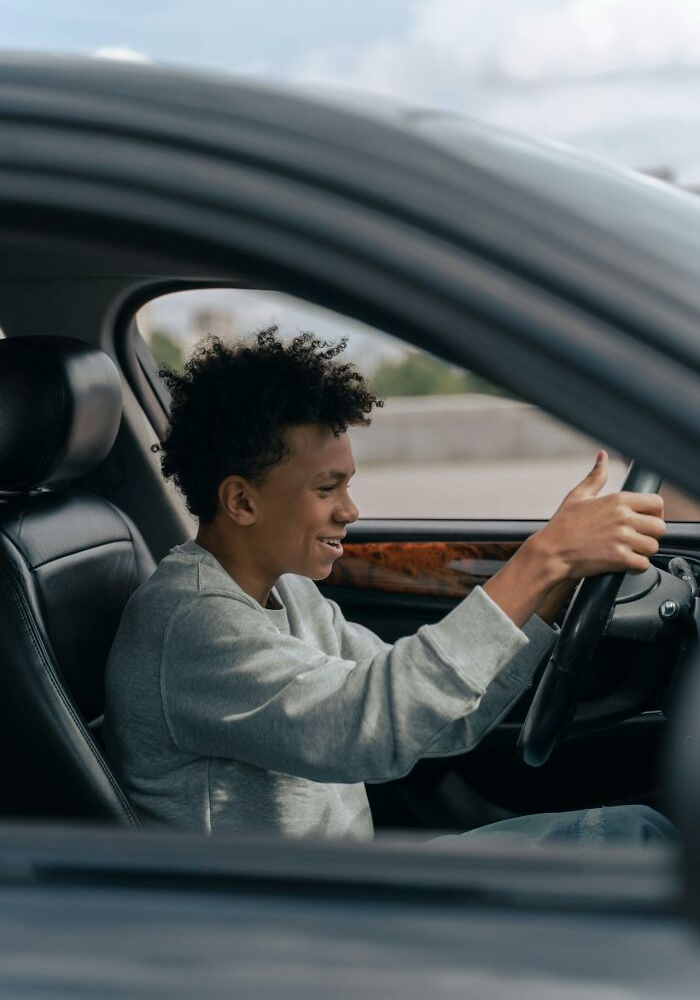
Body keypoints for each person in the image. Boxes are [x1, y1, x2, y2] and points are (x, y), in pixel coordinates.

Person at [103, 328, 674, 846]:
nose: (350, 510)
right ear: (242, 501)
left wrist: (554, 588)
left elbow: (433, 716)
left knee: (639, 837)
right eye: (327, 489)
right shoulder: (193, 623)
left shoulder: (289, 594)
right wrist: (543, 558)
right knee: (642, 844)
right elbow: (369, 728)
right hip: (283, 930)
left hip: (343, 894)